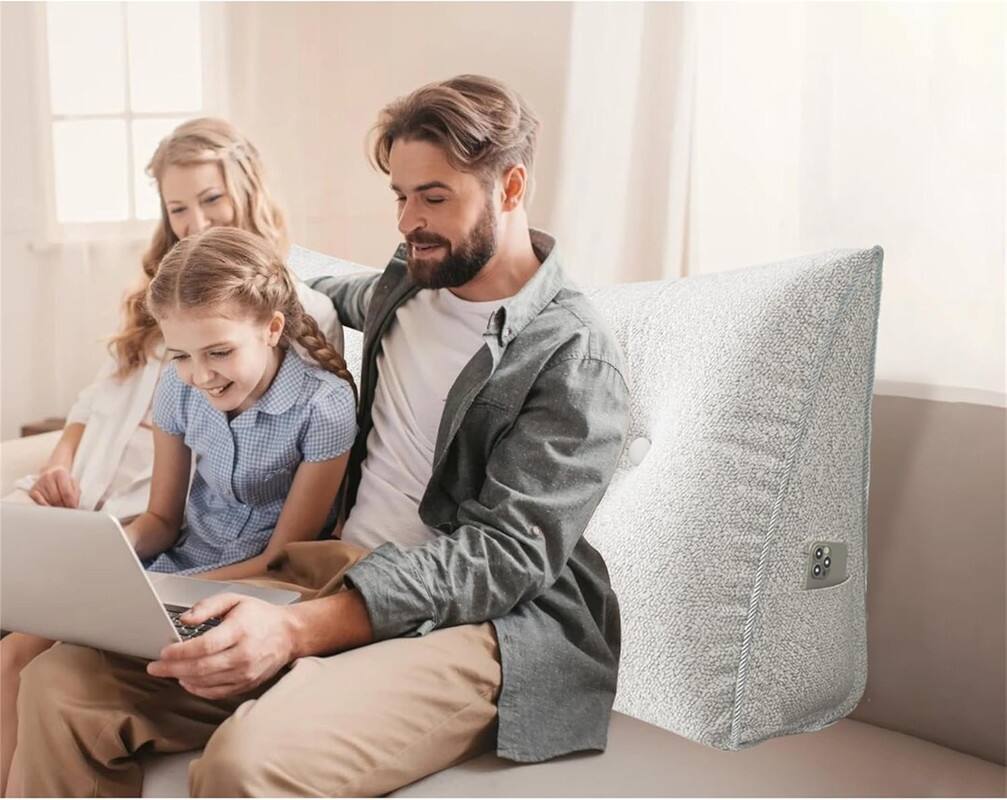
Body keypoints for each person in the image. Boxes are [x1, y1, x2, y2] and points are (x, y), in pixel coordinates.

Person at [8, 75, 631, 798]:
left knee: (249, 762)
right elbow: (302, 291)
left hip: (475, 620)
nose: (408, 221)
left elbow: (504, 560)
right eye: (399, 195)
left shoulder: (570, 355)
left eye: (434, 197)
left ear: (512, 186)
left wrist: (299, 630)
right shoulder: (412, 280)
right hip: (322, 569)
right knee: (61, 686)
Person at [0, 118, 341, 796]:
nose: (201, 374)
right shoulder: (178, 380)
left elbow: (287, 556)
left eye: (217, 353)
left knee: (42, 662)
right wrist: (113, 564)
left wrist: (160, 590)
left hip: (244, 581)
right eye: (177, 208)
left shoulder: (320, 400)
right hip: (171, 564)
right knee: (20, 649)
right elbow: (161, 518)